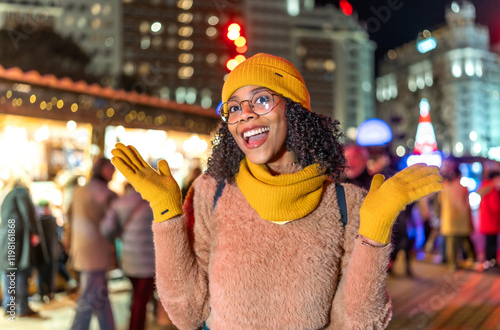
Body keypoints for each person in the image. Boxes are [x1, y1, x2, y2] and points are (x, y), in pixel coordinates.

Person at [111, 53, 443, 329]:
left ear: (294, 109)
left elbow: (357, 323)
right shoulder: (210, 194)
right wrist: (166, 212)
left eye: (261, 99)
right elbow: (187, 314)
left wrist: (375, 231)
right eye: (234, 107)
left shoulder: (345, 204)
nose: (246, 115)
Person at [68, 157, 117, 330]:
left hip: (81, 249)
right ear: (103, 170)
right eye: (112, 168)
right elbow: (112, 226)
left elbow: (69, 216)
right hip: (96, 252)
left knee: (99, 293)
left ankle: (108, 326)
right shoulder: (107, 194)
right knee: (89, 296)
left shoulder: (79, 190)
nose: (115, 172)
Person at [101, 182, 156, 330]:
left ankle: (135, 321)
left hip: (129, 261)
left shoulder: (119, 203)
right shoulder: (153, 202)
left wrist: (120, 233)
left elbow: (107, 229)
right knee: (141, 300)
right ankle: (135, 326)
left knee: (137, 296)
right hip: (149, 262)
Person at [0, 174, 41, 317]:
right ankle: (23, 307)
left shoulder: (6, 195)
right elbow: (29, 215)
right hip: (18, 238)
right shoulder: (21, 192)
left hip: (6, 238)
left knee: (9, 271)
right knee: (22, 271)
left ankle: (8, 306)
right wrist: (35, 233)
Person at [438, 161, 476, 271]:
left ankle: (452, 264)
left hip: (449, 220)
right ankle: (471, 259)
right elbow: (465, 205)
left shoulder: (445, 186)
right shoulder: (462, 187)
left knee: (451, 244)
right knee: (465, 240)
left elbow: (440, 201)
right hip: (461, 220)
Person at [477, 171, 500, 269]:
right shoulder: (493, 190)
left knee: (488, 242)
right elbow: (495, 207)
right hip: (492, 221)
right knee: (492, 242)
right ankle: (491, 261)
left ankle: (489, 261)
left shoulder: (485, 188)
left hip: (486, 220)